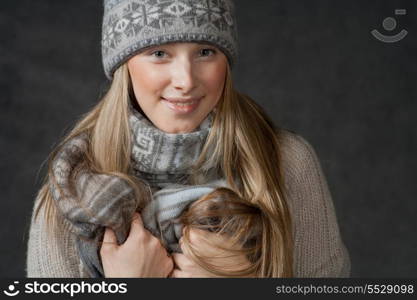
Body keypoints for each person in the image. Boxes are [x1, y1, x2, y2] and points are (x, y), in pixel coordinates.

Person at [26, 0, 351, 278]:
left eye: (205, 51)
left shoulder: (286, 162)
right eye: (159, 53)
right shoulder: (71, 191)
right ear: (125, 64)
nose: (185, 80)